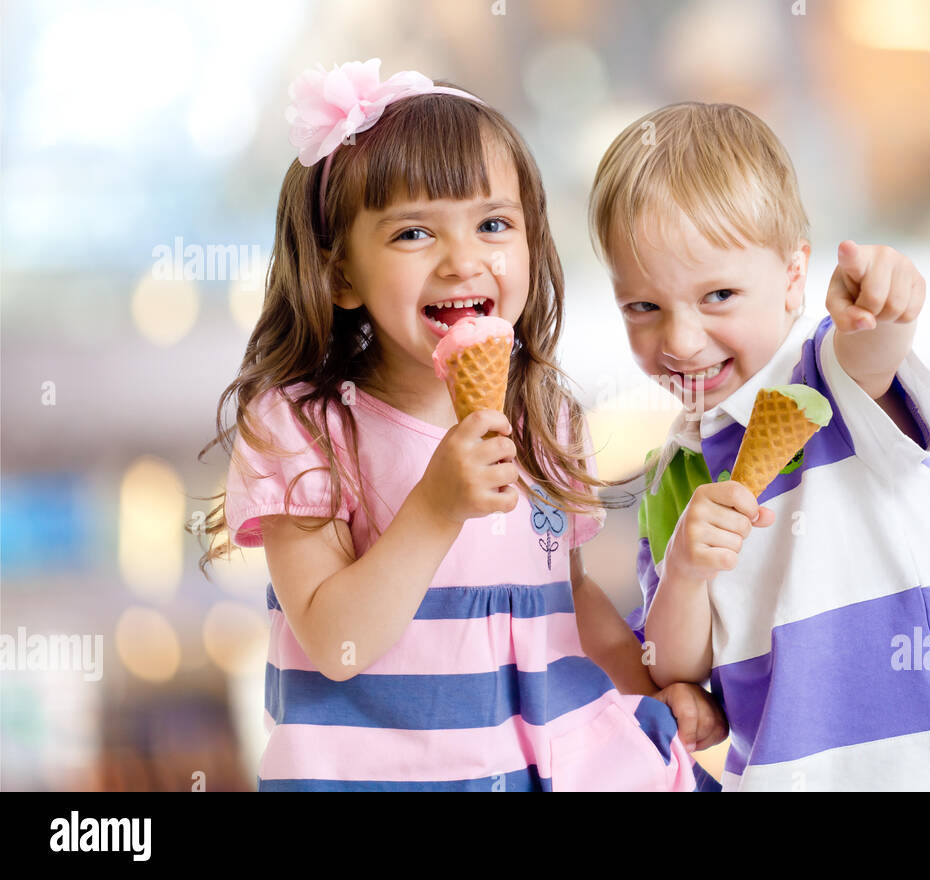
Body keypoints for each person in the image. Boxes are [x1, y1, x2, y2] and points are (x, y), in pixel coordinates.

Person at [197, 61, 722, 791]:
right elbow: (335, 641)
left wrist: (650, 691)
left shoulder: (543, 413)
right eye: (413, 232)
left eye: (494, 224)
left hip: (551, 764)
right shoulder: (302, 427)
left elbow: (571, 602)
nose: (462, 259)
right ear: (341, 274)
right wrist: (434, 508)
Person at [588, 101, 930, 791]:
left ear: (794, 278)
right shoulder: (673, 472)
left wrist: (884, 302)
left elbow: (872, 351)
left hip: (927, 766)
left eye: (719, 295)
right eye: (644, 307)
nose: (680, 340)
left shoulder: (829, 375)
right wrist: (688, 569)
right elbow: (679, 666)